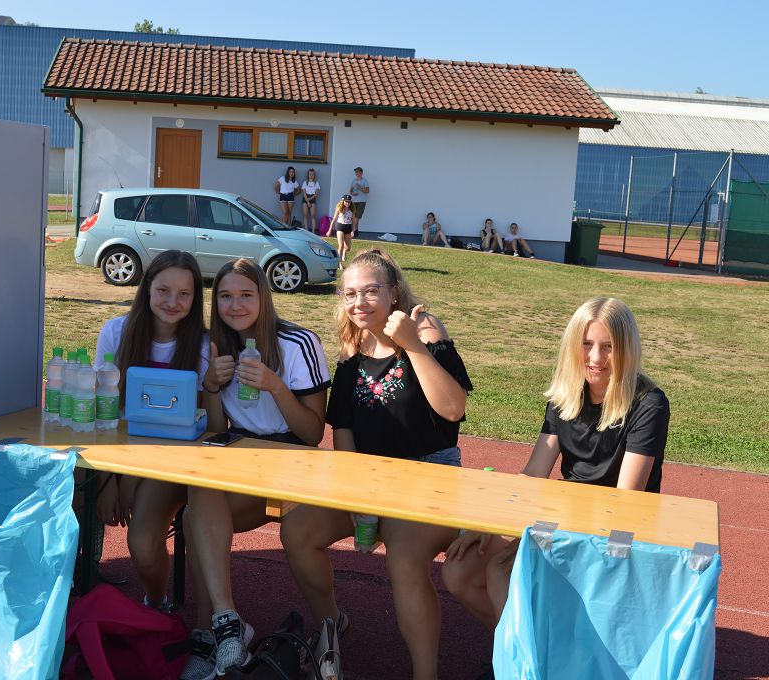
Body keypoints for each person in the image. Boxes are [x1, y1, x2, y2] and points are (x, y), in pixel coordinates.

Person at [280, 249, 473, 680]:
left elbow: (453, 409)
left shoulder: (425, 330)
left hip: (428, 476)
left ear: (394, 293)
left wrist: (412, 345)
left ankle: (425, 674)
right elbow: (344, 430)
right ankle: (332, 623)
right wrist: (355, 496)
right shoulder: (352, 348)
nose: (359, 302)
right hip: (369, 480)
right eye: (350, 294)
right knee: (297, 530)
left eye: (370, 291)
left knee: (403, 558)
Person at [442, 297, 670, 635]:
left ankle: (530, 657)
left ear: (627, 348)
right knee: (457, 571)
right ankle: (529, 653)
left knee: (501, 573)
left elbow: (624, 500)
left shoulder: (649, 404)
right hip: (564, 517)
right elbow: (534, 474)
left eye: (608, 347)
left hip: (613, 532)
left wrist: (543, 535)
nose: (596, 358)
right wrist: (489, 524)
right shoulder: (565, 396)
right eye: (587, 344)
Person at [180, 258, 331, 678]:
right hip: (242, 454)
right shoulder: (210, 346)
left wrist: (275, 385)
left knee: (195, 517)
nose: (236, 305)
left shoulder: (299, 343)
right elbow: (216, 431)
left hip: (294, 459)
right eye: (225, 296)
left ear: (263, 296)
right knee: (198, 498)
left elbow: (312, 433)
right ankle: (224, 627)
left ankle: (213, 633)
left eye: (246, 295)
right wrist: (211, 386)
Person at [93, 250, 209, 611]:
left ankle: (156, 604)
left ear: (195, 298)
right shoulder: (116, 332)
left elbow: (199, 428)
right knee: (67, 494)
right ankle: (80, 581)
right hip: (115, 452)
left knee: (142, 543)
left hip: (172, 462)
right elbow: (101, 412)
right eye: (163, 290)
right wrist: (107, 479)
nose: (172, 302)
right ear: (146, 289)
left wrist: (131, 478)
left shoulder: (203, 346)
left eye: (184, 293)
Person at [327, 195, 355, 264]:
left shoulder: (352, 210)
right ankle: (339, 263)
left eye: (349, 202)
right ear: (343, 201)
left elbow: (353, 221)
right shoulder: (339, 209)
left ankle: (344, 252)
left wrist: (353, 231)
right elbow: (334, 220)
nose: (347, 203)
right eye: (346, 201)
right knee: (341, 245)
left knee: (348, 248)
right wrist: (329, 230)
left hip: (348, 227)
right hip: (340, 227)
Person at [349, 166, 370, 238]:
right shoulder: (353, 181)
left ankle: (352, 231)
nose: (356, 173)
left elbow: (367, 191)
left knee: (357, 217)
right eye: (355, 172)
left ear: (361, 173)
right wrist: (353, 193)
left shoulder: (365, 181)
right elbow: (350, 191)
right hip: (354, 201)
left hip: (362, 201)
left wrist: (359, 188)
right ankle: (356, 232)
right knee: (354, 217)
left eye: (357, 172)